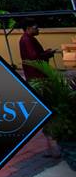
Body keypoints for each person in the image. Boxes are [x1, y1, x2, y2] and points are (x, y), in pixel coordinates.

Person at [19, 19, 61, 158]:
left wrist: (46, 53)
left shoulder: (28, 39)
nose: (38, 30)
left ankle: (53, 145)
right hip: (37, 78)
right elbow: (33, 57)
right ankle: (54, 146)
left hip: (38, 77)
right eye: (36, 27)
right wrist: (47, 54)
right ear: (28, 28)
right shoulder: (26, 40)